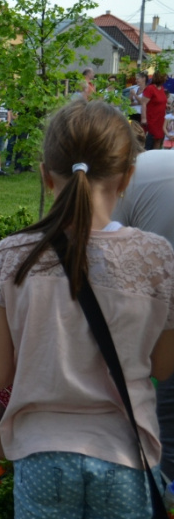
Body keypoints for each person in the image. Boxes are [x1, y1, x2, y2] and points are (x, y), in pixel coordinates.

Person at [0, 99, 174, 516]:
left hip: (41, 452)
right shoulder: (156, 257)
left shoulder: (13, 255)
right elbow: (162, 367)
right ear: (127, 178)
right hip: (125, 455)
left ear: (46, 175)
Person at [113, 149, 174, 484]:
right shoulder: (153, 164)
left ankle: (165, 494)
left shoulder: (128, 178)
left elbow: (103, 264)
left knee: (168, 417)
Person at [141, 71, 168, 150]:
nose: (166, 79)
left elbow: (160, 101)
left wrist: (166, 105)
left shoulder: (161, 88)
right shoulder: (150, 88)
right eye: (165, 77)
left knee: (159, 139)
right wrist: (143, 118)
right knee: (150, 140)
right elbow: (143, 103)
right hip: (152, 118)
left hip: (161, 118)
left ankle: (155, 157)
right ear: (160, 78)